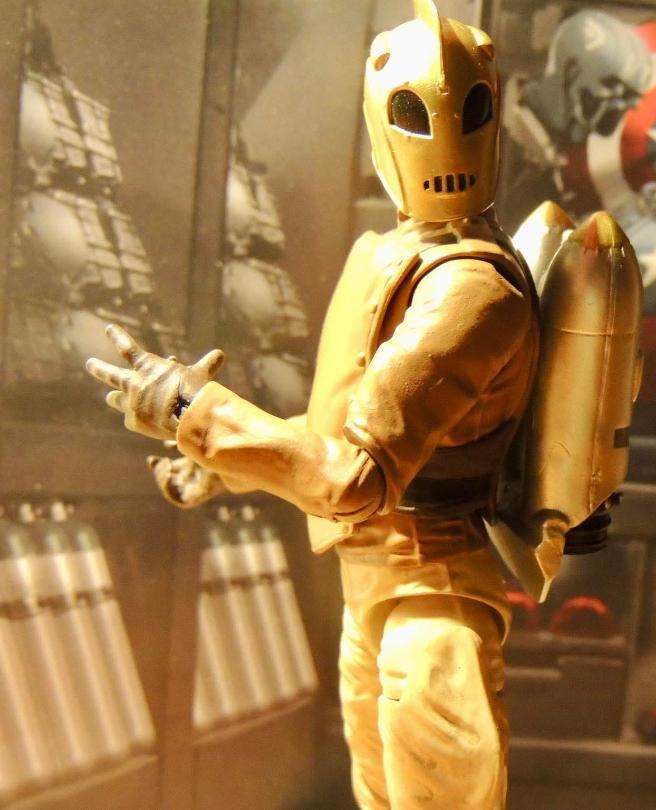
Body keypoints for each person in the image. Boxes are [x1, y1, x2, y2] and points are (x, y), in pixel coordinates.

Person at [86, 2, 538, 807]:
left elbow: (355, 477)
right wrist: (223, 465)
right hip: (384, 587)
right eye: (415, 113)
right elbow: (341, 433)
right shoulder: (407, 258)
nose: (439, 137)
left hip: (430, 594)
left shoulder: (470, 287)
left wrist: (197, 412)